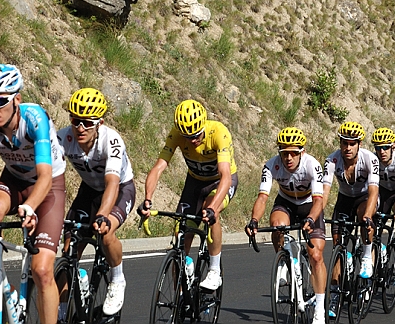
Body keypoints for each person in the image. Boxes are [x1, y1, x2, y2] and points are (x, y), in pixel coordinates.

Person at [0, 64, 66, 324]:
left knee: (41, 270)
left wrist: (30, 206)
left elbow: (44, 177)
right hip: (15, 179)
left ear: (17, 99)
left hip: (48, 185)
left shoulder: (35, 119)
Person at [137, 99, 237, 291]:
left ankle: (215, 269)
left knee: (211, 211)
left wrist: (213, 208)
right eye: (187, 136)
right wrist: (148, 199)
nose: (192, 141)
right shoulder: (176, 134)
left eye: (196, 135)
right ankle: (180, 299)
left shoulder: (219, 133)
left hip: (221, 181)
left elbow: (225, 176)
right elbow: (159, 167)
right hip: (195, 183)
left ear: (204, 126)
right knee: (180, 234)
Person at [57, 88, 134, 316]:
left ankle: (117, 280)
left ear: (99, 123)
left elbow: (112, 183)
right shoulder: (64, 138)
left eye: (87, 123)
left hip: (119, 190)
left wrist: (102, 215)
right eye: (76, 121)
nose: (80, 128)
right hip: (89, 191)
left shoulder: (112, 141)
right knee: (68, 251)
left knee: (106, 231)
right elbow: (46, 173)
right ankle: (61, 310)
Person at [245, 127, 327, 324]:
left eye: (293, 153)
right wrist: (254, 221)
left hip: (310, 204)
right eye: (284, 153)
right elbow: (263, 198)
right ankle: (284, 260)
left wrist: (309, 219)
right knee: (277, 225)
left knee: (316, 256)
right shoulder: (271, 166)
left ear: (302, 153)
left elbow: (318, 201)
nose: (288, 157)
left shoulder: (312, 165)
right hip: (286, 202)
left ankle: (320, 309)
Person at [320, 122, 378, 318]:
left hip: (364, 198)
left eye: (352, 143)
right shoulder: (332, 160)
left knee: (365, 219)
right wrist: (317, 214)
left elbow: (373, 191)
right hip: (344, 199)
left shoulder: (370, 159)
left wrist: (368, 217)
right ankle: (335, 294)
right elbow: (325, 191)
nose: (348, 147)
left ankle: (366, 257)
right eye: (344, 143)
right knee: (338, 246)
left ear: (359, 144)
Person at [371, 127, 395, 272]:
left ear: (393, 146)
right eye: (378, 148)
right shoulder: (373, 160)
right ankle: (371, 270)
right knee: (374, 228)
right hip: (382, 192)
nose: (382, 152)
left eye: (386, 147)